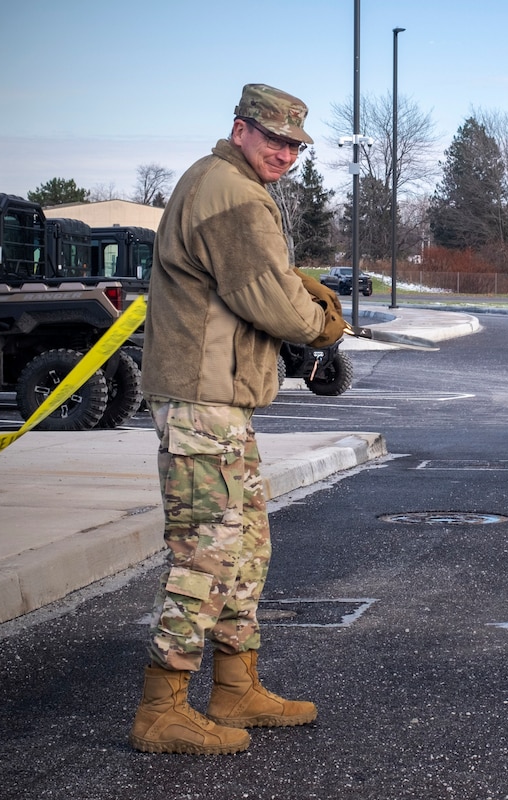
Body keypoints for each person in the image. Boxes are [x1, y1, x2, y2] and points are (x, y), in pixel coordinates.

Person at [129, 83, 347, 754]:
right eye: (273, 138)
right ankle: (161, 707)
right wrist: (323, 324)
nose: (284, 152)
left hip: (221, 402)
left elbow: (264, 283)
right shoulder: (230, 192)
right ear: (240, 129)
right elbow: (270, 300)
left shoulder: (232, 185)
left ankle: (235, 688)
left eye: (293, 145)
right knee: (207, 553)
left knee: (245, 547)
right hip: (202, 403)